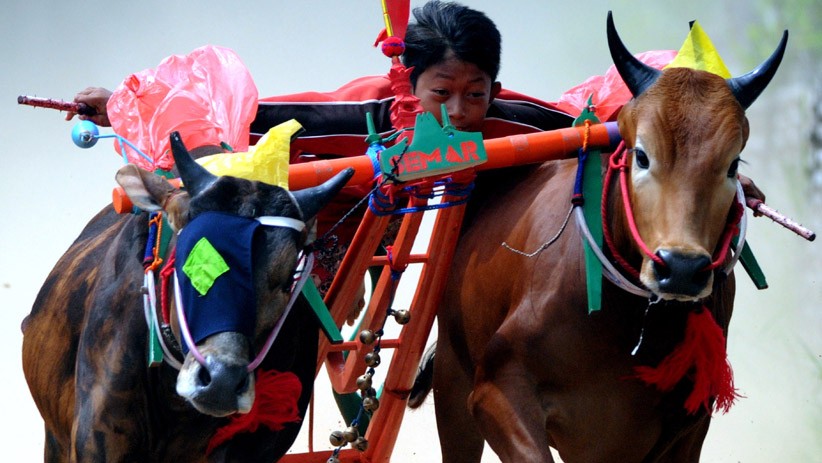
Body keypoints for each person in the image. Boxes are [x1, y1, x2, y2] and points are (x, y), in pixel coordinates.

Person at [65, 1, 764, 295]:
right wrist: (123, 104)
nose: (462, 112)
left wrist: (718, 169)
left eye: (477, 93)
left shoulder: (512, 119)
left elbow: (631, 111)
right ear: (412, 82)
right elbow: (223, 109)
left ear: (494, 86)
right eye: (442, 94)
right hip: (341, 227)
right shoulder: (355, 111)